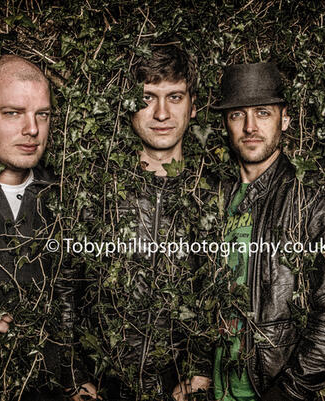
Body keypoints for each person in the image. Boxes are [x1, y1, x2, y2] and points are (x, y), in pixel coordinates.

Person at [0, 54, 97, 400]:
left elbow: (75, 301)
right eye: (13, 113)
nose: (32, 129)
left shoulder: (66, 198)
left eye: (41, 115)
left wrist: (77, 379)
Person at [207, 62, 325, 400]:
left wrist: (289, 392)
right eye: (236, 115)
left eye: (262, 113)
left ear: (284, 119)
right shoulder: (212, 199)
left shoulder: (316, 199)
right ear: (225, 124)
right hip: (217, 389)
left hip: (272, 389)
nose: (250, 127)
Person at [83, 43, 218, 400]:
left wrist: (200, 372)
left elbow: (220, 292)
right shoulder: (97, 188)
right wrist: (76, 375)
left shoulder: (214, 193)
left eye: (175, 97)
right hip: (105, 388)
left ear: (192, 105)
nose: (161, 113)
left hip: (181, 389)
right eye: (147, 97)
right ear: (128, 105)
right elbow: (68, 284)